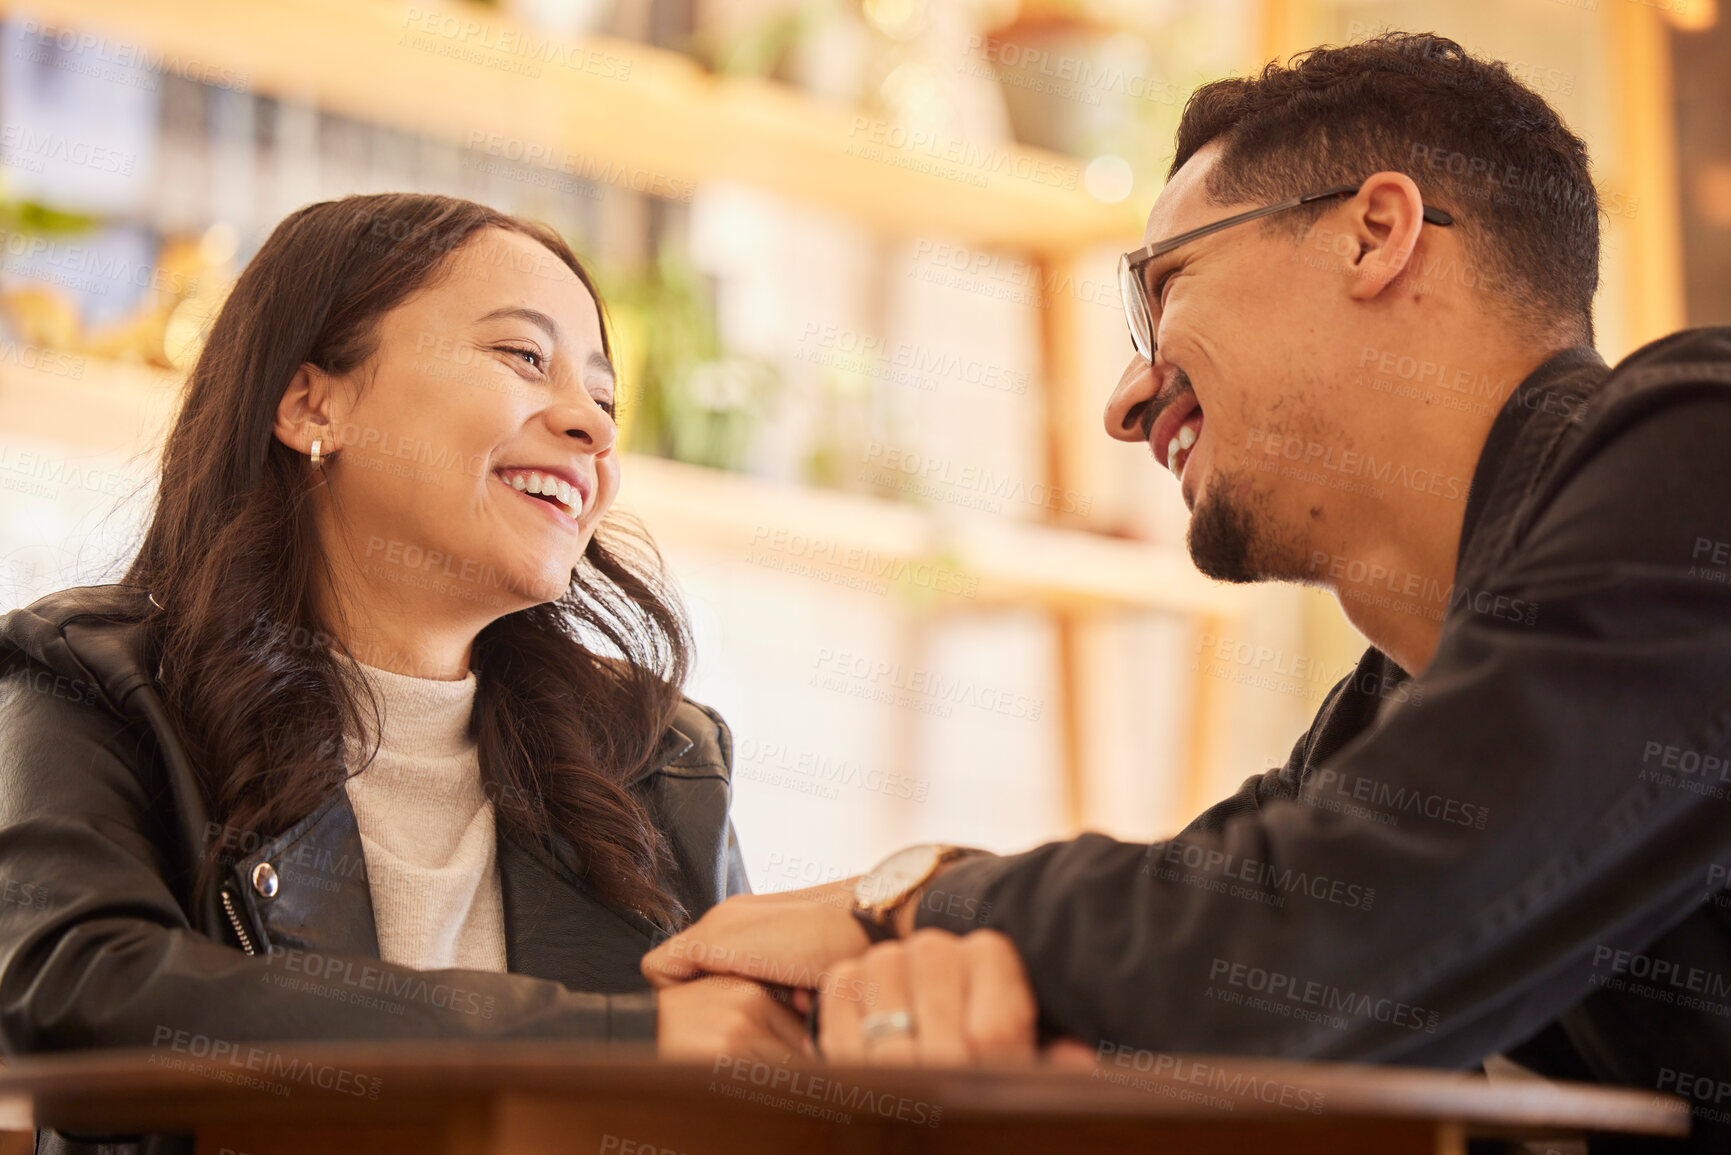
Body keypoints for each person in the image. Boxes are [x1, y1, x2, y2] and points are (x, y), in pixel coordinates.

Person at [641, 32, 1731, 1151]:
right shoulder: (1376, 723)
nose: (1127, 398)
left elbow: (1319, 940)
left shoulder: (1701, 450)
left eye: (1168, 287)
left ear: (1375, 235)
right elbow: (1201, 935)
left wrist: (909, 905)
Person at [0, 194, 810, 1150]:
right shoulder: (90, 678)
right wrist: (607, 1040)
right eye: (523, 357)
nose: (590, 428)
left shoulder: (659, 754)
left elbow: (743, 1085)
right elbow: (74, 994)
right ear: (313, 403)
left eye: (603, 399)